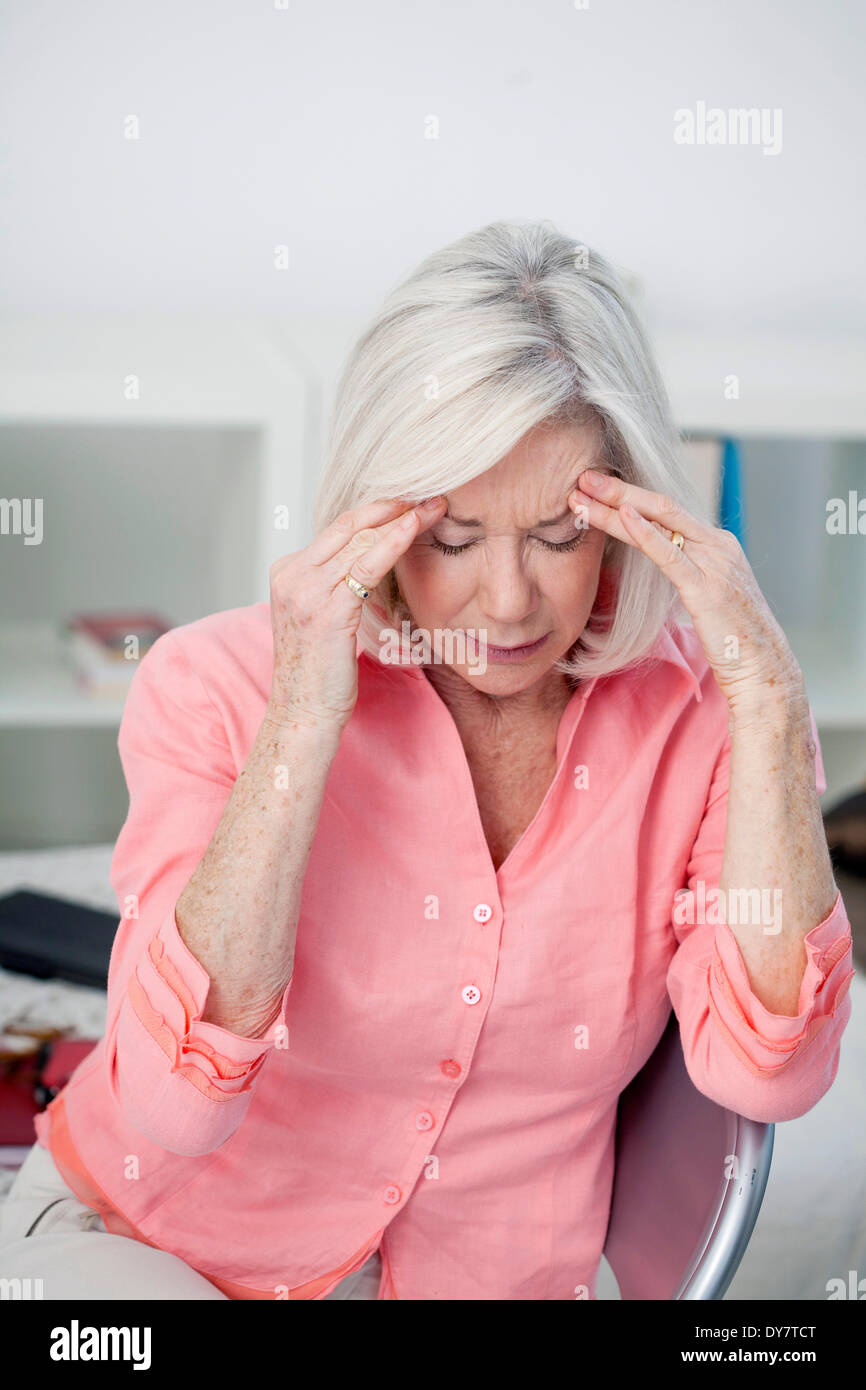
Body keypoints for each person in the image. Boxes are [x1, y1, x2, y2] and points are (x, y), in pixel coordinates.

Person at [0, 220, 853, 1300]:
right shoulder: (212, 683)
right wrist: (303, 727)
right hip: (152, 1253)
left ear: (629, 515)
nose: (506, 600)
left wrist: (769, 698)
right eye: (451, 537)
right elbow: (175, 1104)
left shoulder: (707, 714)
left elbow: (762, 1072)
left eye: (557, 534)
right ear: (378, 508)